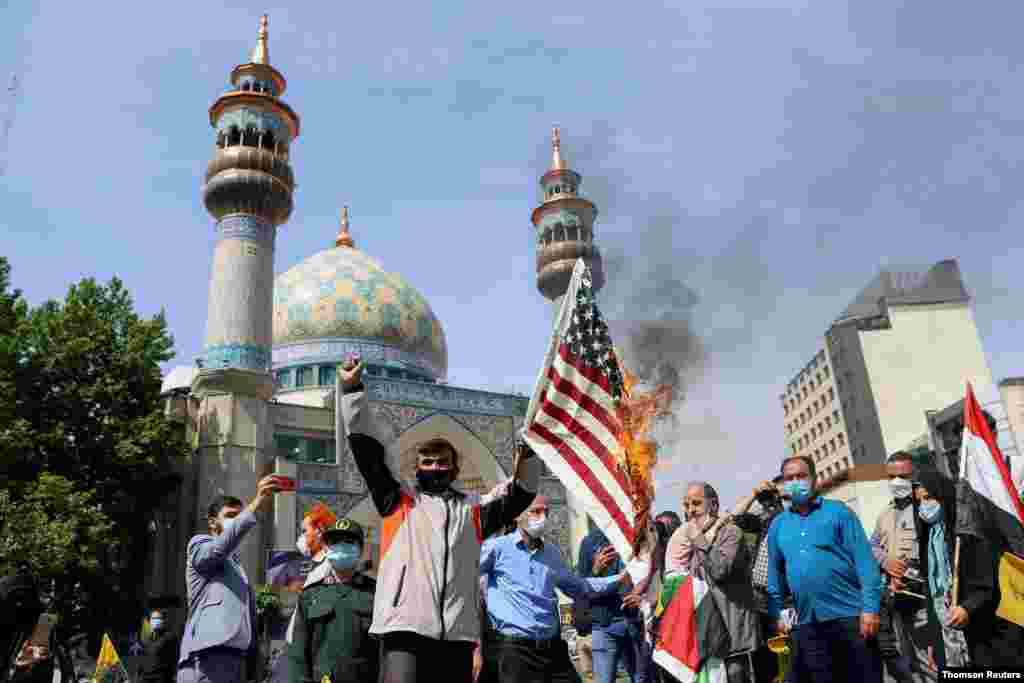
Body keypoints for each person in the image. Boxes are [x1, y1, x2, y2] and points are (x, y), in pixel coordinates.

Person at [338, 356, 541, 683]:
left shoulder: (473, 512)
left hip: (457, 636)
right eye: (427, 462)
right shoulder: (398, 501)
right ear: (417, 468)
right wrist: (352, 390)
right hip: (405, 628)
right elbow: (368, 450)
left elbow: (522, 494)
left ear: (455, 469)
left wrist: (529, 453)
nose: (434, 467)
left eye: (442, 462)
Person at [480, 495, 631, 683]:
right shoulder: (497, 548)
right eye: (535, 511)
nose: (542, 517)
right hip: (516, 650)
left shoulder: (551, 553)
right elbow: (464, 572)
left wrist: (620, 578)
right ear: (518, 516)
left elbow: (579, 586)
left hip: (552, 648)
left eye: (546, 512)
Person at [767, 455, 883, 683]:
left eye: (801, 476)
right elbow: (775, 574)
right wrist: (779, 612)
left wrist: (870, 608)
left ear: (814, 478)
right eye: (789, 478)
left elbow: (865, 563)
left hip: (851, 616)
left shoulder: (838, 512)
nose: (795, 482)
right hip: (808, 624)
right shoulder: (778, 525)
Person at [177, 476, 282, 683]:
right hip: (209, 653)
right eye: (230, 515)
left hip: (236, 659)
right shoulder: (200, 544)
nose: (236, 520)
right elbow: (219, 548)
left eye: (239, 515)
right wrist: (256, 503)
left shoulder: (236, 566)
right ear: (212, 521)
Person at [667, 482, 761, 683]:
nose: (690, 511)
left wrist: (699, 541)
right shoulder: (692, 539)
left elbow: (719, 571)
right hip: (708, 633)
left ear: (714, 505)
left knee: (736, 675)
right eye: (686, 505)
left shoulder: (730, 532)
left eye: (696, 503)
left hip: (731, 632)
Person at [287, 517, 377, 683]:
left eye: (348, 541)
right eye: (335, 542)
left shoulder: (376, 593)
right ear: (326, 548)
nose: (341, 546)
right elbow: (298, 653)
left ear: (361, 549)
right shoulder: (310, 595)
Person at [869, 452, 933, 683]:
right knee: (912, 660)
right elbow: (872, 546)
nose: (897, 482)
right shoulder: (885, 514)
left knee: (932, 657)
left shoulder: (927, 509)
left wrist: (907, 570)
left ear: (914, 475)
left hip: (925, 598)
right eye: (892, 476)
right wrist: (886, 561)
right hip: (897, 599)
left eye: (903, 476)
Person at [907, 468, 969, 671]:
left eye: (929, 497)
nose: (925, 506)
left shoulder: (962, 533)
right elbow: (932, 596)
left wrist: (967, 607)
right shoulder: (927, 539)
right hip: (945, 632)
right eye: (920, 501)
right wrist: (935, 641)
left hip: (970, 626)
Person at [730, 480, 786, 683]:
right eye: (765, 502)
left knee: (789, 654)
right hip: (759, 599)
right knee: (764, 658)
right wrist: (754, 494)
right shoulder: (761, 522)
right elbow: (734, 518)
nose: (768, 505)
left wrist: (778, 494)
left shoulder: (790, 519)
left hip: (785, 599)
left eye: (771, 500)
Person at [577, 526, 640, 683]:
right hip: (605, 625)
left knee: (642, 678)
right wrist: (596, 570)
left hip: (636, 623)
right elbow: (581, 587)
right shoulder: (590, 542)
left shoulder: (636, 536)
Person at [139, 609, 180, 683]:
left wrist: (174, 675)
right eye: (153, 618)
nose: (155, 621)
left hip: (162, 677)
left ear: (163, 620)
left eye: (158, 618)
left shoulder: (170, 637)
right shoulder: (149, 638)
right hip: (146, 677)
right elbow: (144, 657)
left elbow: (175, 657)